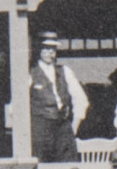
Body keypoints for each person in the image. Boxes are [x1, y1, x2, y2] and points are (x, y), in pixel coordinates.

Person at [28, 31, 88, 162]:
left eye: (53, 49)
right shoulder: (30, 73)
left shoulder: (64, 71)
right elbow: (17, 105)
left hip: (63, 127)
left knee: (68, 166)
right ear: (39, 49)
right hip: (40, 129)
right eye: (46, 48)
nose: (50, 52)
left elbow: (81, 99)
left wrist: (73, 127)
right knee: (41, 167)